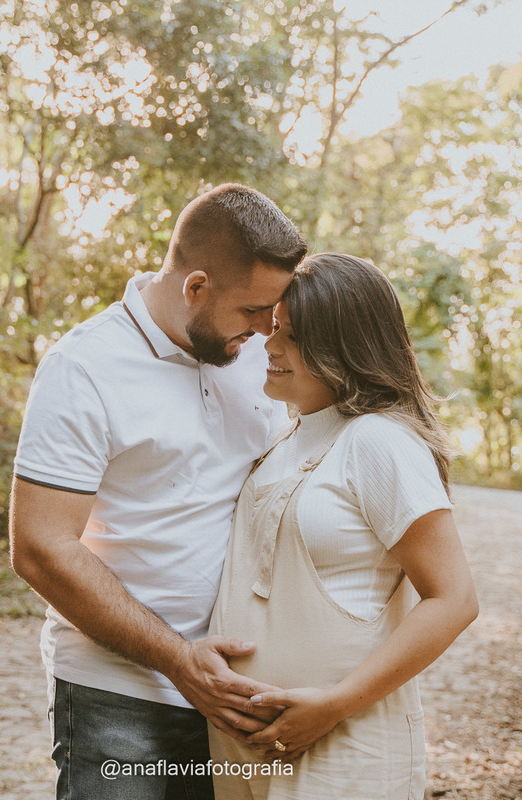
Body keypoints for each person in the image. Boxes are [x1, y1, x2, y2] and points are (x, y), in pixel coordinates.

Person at [9, 184, 308, 800]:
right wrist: (178, 660)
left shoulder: (260, 353)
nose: (264, 329)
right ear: (196, 287)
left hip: (243, 693)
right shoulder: (84, 367)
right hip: (119, 699)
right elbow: (39, 546)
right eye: (252, 311)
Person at [207, 252, 479, 799]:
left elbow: (454, 599)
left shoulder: (379, 440)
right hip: (245, 754)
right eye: (276, 327)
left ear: (345, 347)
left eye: (296, 336)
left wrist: (334, 704)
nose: (271, 345)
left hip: (341, 744)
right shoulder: (282, 440)